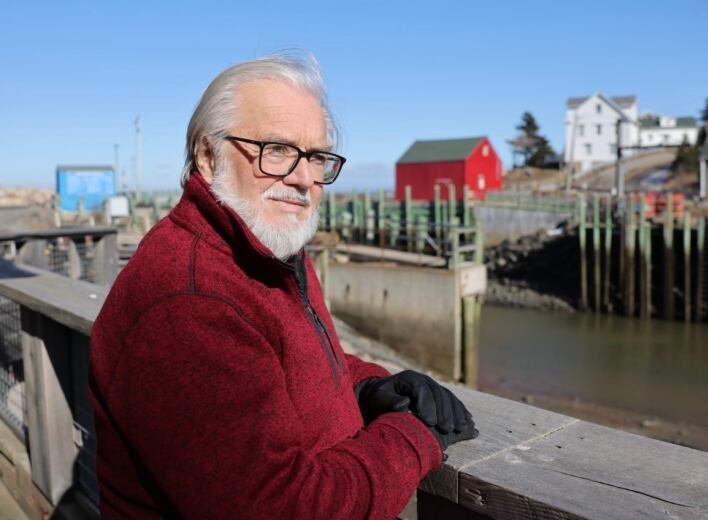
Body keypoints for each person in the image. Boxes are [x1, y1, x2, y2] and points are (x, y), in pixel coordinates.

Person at [89, 51, 477, 519]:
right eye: (276, 149)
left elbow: (294, 364)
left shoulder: (269, 248)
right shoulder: (190, 300)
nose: (302, 179)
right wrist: (413, 436)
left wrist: (372, 385)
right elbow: (281, 507)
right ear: (208, 156)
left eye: (316, 156)